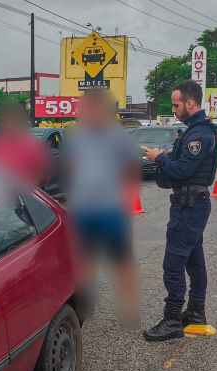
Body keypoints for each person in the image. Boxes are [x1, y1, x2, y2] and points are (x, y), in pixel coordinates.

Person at [141, 80, 217, 341]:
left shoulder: (198, 135)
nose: (174, 110)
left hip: (190, 206)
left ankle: (172, 320)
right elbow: (173, 175)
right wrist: (166, 156)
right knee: (194, 261)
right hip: (190, 204)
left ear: (190, 103)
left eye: (176, 105)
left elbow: (182, 171)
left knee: (173, 263)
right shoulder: (193, 132)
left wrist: (159, 158)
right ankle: (195, 312)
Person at [63, 88, 141, 330]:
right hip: (82, 210)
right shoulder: (74, 137)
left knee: (122, 261)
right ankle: (85, 301)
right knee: (84, 258)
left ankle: (130, 309)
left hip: (111, 210)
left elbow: (132, 168)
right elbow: (70, 167)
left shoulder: (120, 137)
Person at [0, 99, 50, 189]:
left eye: (14, 120)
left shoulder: (34, 146)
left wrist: (27, 191)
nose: (10, 124)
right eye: (6, 121)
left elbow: (43, 176)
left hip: (25, 198)